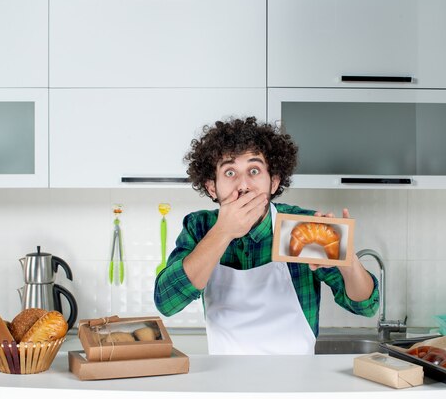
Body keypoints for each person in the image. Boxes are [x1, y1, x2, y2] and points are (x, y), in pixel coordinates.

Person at [154, 116, 379, 354]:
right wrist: (223, 232)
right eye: (230, 172)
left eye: (254, 170)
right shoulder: (199, 227)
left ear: (273, 182)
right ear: (212, 187)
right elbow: (167, 303)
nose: (243, 185)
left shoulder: (300, 228)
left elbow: (365, 307)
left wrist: (349, 264)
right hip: (225, 385)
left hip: (296, 384)